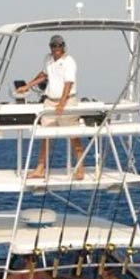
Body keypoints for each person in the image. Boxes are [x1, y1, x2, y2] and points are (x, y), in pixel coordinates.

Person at [16, 34, 85, 179]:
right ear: (50, 47)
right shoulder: (48, 59)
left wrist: (62, 103)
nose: (56, 48)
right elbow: (44, 75)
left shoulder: (69, 61)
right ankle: (40, 169)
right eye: (54, 46)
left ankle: (80, 169)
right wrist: (27, 86)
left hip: (67, 101)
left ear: (63, 46)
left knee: (73, 136)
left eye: (59, 45)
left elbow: (69, 83)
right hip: (50, 101)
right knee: (45, 136)